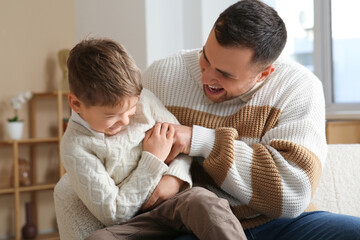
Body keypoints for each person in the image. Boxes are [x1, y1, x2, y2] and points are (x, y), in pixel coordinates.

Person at [140, 0, 360, 239]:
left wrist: (199, 140)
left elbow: (291, 194)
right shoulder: (161, 77)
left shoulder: (299, 88)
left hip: (281, 224)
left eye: (224, 74)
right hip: (198, 223)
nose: (207, 77)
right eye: (206, 57)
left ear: (264, 73)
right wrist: (177, 174)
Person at [61, 38, 247, 240]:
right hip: (137, 221)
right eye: (111, 116)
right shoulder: (76, 147)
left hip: (179, 201)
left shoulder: (145, 101)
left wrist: (174, 179)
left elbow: (182, 147)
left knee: (207, 203)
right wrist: (152, 159)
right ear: (76, 104)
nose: (124, 121)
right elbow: (113, 214)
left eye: (130, 111)